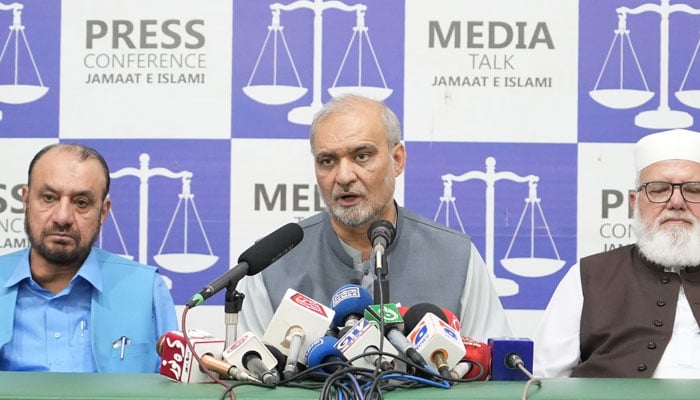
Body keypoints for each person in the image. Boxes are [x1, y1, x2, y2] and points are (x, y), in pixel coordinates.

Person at [237, 94, 511, 342]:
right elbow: (248, 382)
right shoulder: (271, 264)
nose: (344, 177)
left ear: (398, 159)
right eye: (327, 161)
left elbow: (497, 378)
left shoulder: (456, 257)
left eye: (362, 156)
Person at [534, 128, 700, 378]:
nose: (676, 202)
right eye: (658, 190)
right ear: (634, 202)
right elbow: (543, 380)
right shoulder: (588, 275)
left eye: (694, 190)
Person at [0, 143, 178, 373]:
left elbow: (175, 388)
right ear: (25, 200)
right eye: (48, 198)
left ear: (103, 212)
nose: (62, 217)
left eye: (81, 203)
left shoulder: (146, 290)